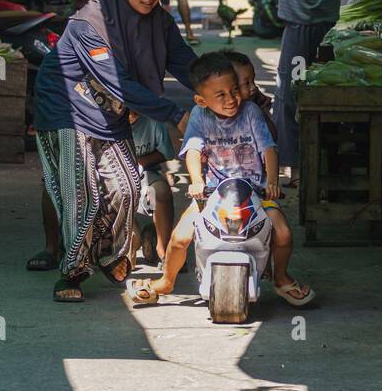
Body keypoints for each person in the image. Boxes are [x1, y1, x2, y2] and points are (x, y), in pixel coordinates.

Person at [33, 0, 196, 302]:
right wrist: (174, 114)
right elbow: (118, 84)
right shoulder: (89, 24)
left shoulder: (159, 23)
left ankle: (108, 255)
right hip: (65, 106)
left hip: (110, 112)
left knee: (126, 188)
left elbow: (188, 64)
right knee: (83, 195)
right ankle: (71, 274)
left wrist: (227, 86)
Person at [131, 53, 315, 308]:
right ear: (201, 100)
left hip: (256, 194)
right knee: (180, 238)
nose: (231, 99)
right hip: (212, 195)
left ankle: (281, 277)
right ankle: (166, 281)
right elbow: (193, 150)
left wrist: (272, 181)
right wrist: (196, 182)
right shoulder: (199, 116)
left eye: (234, 90)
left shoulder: (251, 112)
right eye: (221, 95)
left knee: (283, 233)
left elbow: (269, 149)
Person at [256, 0, 361, 183]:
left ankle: (327, 164)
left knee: (327, 96)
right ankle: (294, 168)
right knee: (288, 100)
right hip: (296, 37)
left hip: (326, 39)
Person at [128, 112, 176, 264]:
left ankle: (165, 250)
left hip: (146, 173)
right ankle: (131, 237)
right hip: (114, 177)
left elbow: (167, 153)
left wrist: (139, 162)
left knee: (161, 192)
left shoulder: (153, 119)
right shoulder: (107, 121)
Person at [222, 49, 276, 139]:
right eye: (246, 83)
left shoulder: (255, 107)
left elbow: (272, 137)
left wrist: (264, 113)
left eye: (253, 81)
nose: (254, 87)